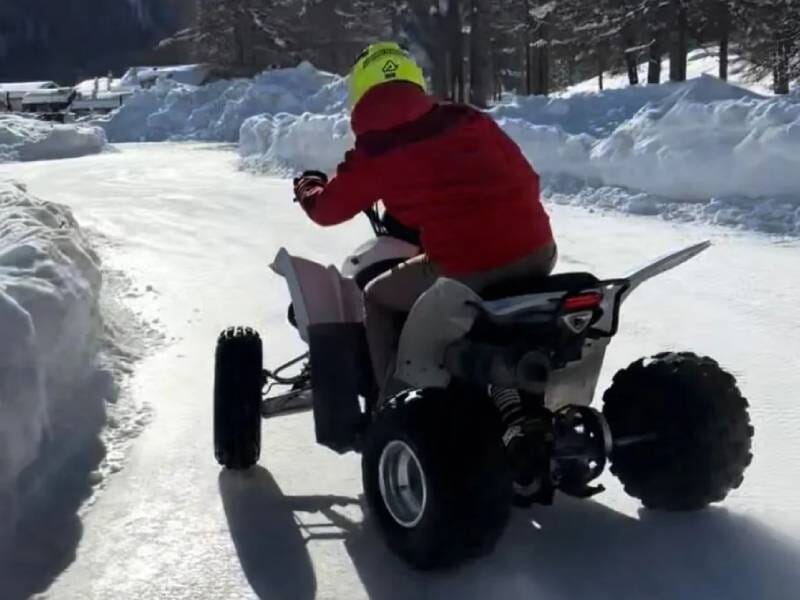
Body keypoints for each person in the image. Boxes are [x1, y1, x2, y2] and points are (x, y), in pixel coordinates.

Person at [294, 41, 556, 399]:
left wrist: (309, 186)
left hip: (467, 266)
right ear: (416, 81)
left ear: (359, 92)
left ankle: (390, 400)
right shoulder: (467, 119)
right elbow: (527, 177)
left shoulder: (379, 146)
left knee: (377, 296)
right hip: (538, 251)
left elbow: (327, 211)